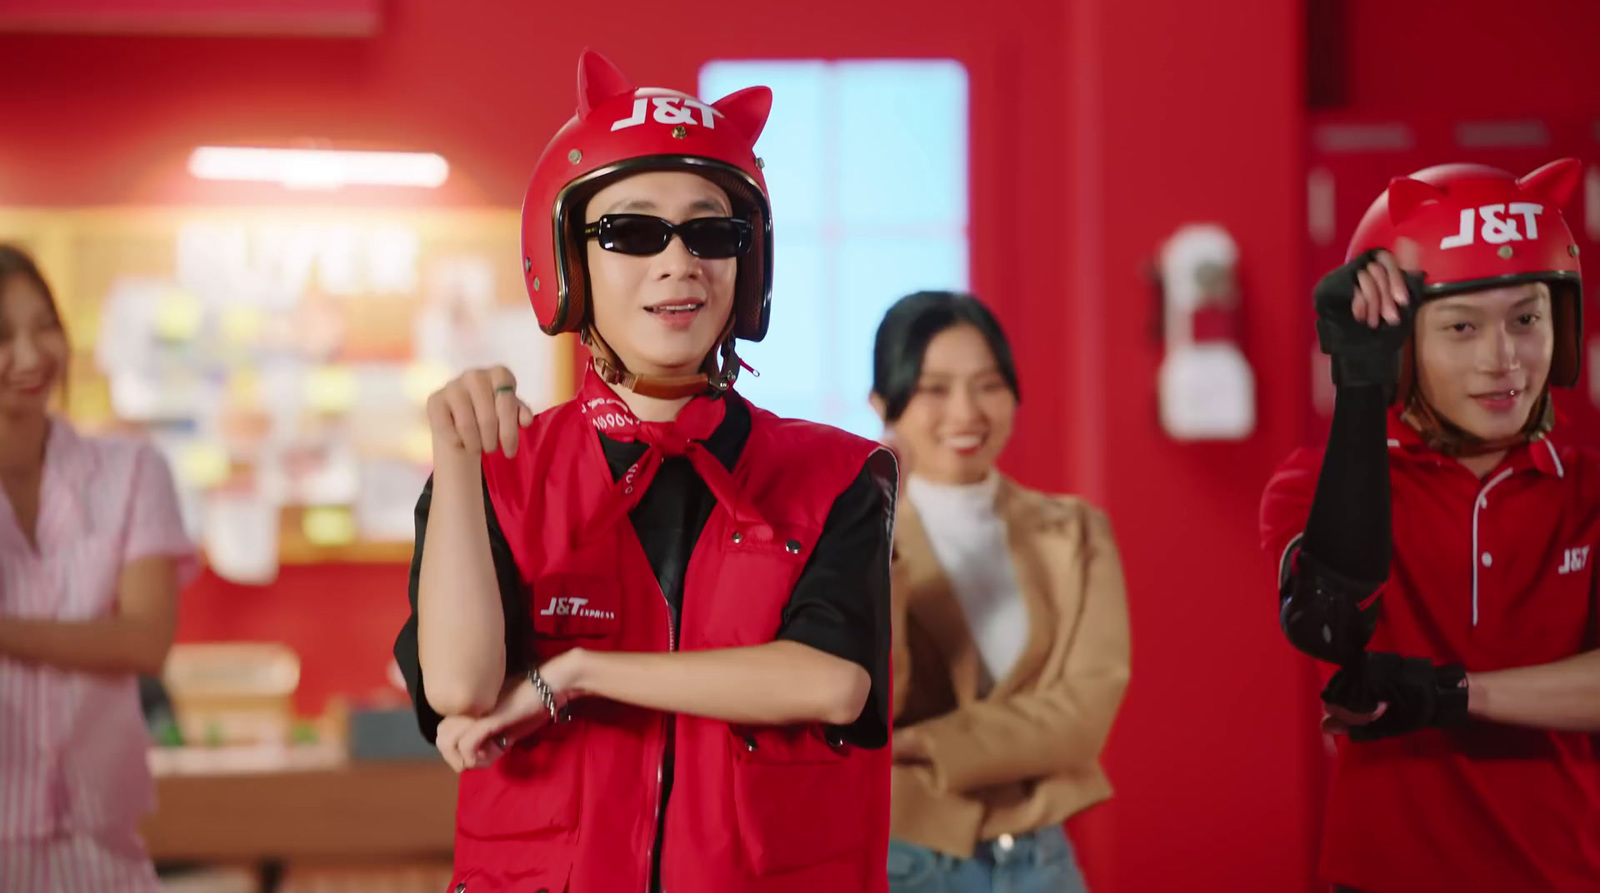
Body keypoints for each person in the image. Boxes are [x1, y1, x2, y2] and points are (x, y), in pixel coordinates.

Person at [391, 49, 897, 893]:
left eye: (712, 232)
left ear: (750, 263)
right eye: (631, 232)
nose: (679, 263)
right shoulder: (499, 469)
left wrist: (576, 671)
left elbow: (834, 681)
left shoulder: (839, 473)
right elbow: (460, 686)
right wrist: (455, 456)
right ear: (568, 262)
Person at [1260, 158, 1600, 893]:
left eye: (1526, 318)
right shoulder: (1311, 482)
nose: (1502, 359)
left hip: (1566, 876)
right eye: (1460, 326)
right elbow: (1326, 623)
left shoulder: (1592, 491)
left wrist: (1450, 694)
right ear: (1405, 341)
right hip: (1383, 879)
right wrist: (1358, 383)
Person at [874, 291, 1129, 893]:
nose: (966, 411)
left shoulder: (1075, 530)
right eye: (934, 389)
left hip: (1042, 861)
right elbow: (876, 699)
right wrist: (875, 537)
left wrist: (926, 743)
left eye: (988, 384)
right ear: (884, 404)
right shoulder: (853, 534)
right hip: (907, 858)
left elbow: (1084, 713)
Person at [0, 245, 196, 892]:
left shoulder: (133, 471)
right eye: (2, 335)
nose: (31, 356)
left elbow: (145, 638)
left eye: (44, 326)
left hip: (101, 849)